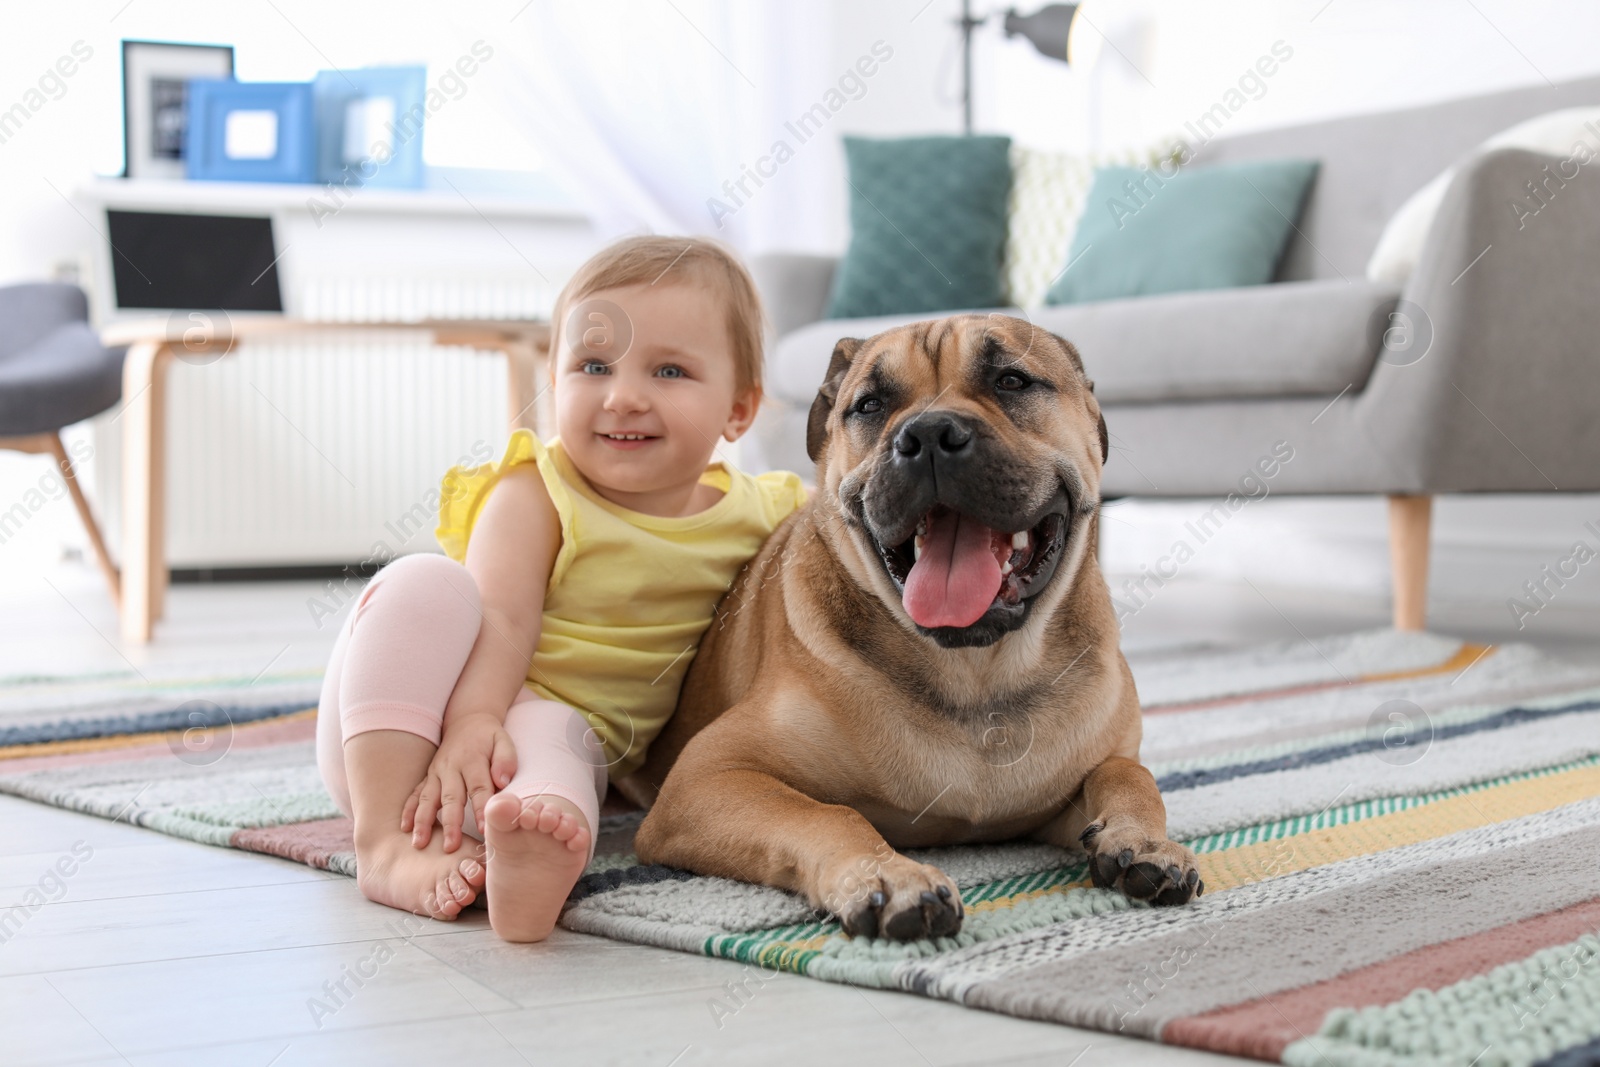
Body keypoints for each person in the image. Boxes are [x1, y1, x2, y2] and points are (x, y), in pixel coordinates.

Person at [315, 235, 806, 941]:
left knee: (558, 759)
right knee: (426, 583)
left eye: (668, 370)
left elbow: (849, 523)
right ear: (555, 382)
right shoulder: (537, 488)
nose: (624, 396)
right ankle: (385, 844)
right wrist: (473, 719)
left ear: (739, 408)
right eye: (593, 366)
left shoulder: (766, 509)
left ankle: (528, 861)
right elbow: (503, 619)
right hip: (408, 725)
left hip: (556, 738)